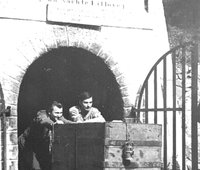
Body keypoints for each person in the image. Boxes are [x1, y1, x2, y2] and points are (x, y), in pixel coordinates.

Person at [18, 101, 73, 170]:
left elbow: (67, 122)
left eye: (61, 113)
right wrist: (54, 124)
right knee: (34, 167)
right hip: (27, 143)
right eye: (56, 113)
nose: (59, 115)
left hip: (39, 145)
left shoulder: (59, 117)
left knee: (46, 165)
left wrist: (79, 123)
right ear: (49, 112)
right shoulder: (42, 114)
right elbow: (44, 121)